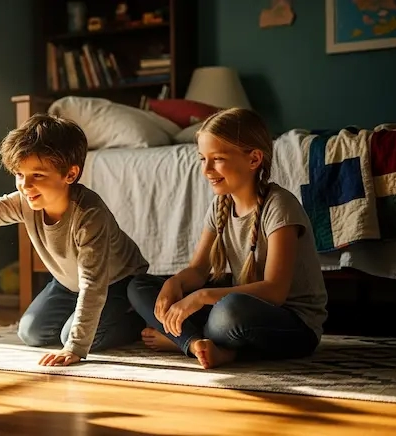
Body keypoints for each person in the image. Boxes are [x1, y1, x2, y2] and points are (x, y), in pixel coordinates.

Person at [0, 113, 149, 367]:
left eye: (37, 175)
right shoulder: (25, 202)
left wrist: (74, 347)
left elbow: (93, 286)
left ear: (70, 175)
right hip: (68, 283)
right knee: (31, 333)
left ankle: (136, 316)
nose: (25, 185)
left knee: (71, 337)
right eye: (19, 174)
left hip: (115, 282)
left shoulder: (89, 215)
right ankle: (86, 318)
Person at [126, 107, 328, 370]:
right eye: (202, 159)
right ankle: (195, 343)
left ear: (254, 159)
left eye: (217, 158)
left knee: (229, 311)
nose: (207, 169)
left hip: (291, 325)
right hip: (235, 314)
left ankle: (186, 341)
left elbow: (275, 292)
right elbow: (198, 270)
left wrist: (200, 297)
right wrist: (174, 284)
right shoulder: (220, 205)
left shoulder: (280, 206)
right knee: (139, 286)